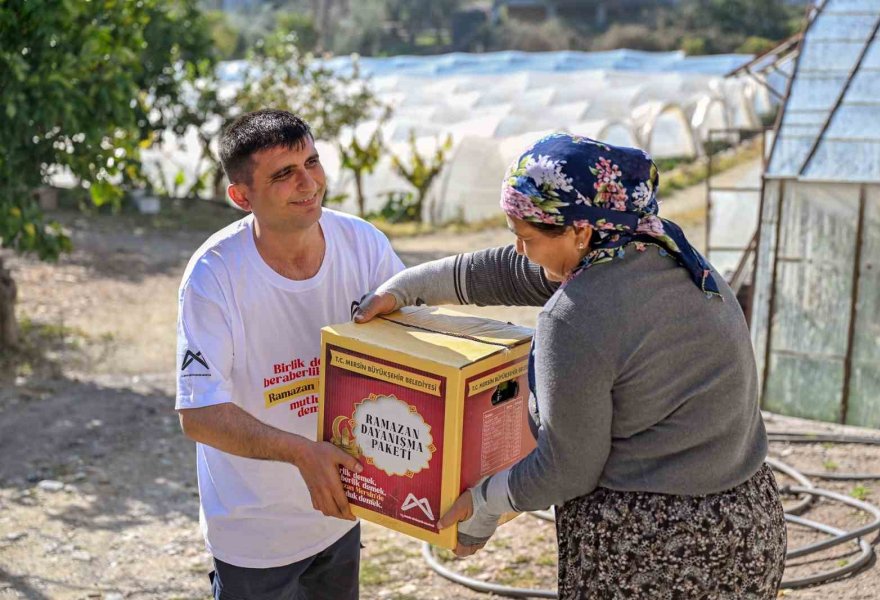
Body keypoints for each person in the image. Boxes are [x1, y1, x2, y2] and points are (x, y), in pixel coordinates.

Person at [355, 133, 787, 598]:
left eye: (526, 237)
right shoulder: (659, 251)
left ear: (580, 231)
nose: (519, 249)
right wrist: (402, 289)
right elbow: (506, 271)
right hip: (748, 529)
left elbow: (567, 468)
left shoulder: (578, 314)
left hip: (654, 551)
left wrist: (481, 507)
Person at [175, 109, 404, 600]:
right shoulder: (213, 275)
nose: (310, 182)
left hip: (339, 511)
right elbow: (199, 414)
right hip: (253, 533)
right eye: (284, 173)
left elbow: (411, 348)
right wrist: (303, 454)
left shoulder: (363, 243)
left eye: (313, 162)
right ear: (241, 196)